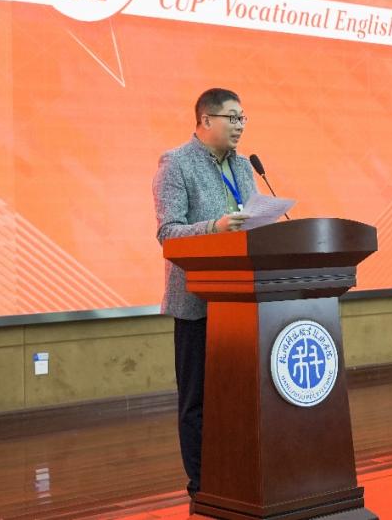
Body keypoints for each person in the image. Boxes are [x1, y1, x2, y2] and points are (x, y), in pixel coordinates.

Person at [152, 88, 256, 497]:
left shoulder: (244, 166)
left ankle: (239, 474)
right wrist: (216, 227)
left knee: (239, 396)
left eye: (243, 118)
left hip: (243, 302)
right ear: (206, 120)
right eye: (232, 118)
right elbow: (169, 232)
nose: (239, 126)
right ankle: (203, 484)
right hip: (197, 301)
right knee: (197, 400)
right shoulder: (176, 163)